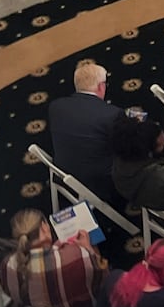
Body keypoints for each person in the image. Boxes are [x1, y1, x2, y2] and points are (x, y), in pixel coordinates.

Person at [0, 207, 104, 307]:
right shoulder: (77, 256)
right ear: (44, 227)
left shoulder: (7, 265)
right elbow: (101, 276)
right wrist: (89, 248)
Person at [47, 59, 124, 205]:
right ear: (101, 86)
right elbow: (124, 146)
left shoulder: (55, 106)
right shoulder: (112, 114)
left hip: (64, 175)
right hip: (99, 184)